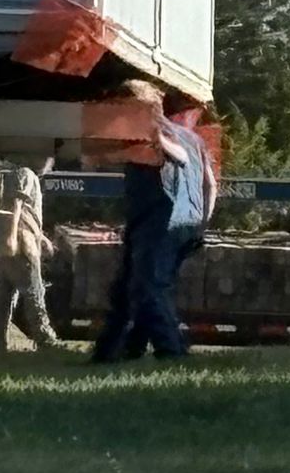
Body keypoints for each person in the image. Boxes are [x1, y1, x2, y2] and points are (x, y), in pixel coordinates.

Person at [91, 82, 216, 362]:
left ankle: (171, 351)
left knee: (147, 288)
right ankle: (115, 352)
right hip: (183, 224)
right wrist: (201, 226)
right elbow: (210, 184)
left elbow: (166, 154)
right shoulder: (194, 140)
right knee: (131, 288)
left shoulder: (150, 135)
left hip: (159, 222)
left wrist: (102, 152)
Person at [0, 150, 62, 351]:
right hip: (21, 245)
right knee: (34, 291)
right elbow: (15, 206)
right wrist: (11, 237)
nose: (49, 163)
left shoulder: (22, 175)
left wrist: (42, 237)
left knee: (5, 295)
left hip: (13, 243)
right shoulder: (24, 174)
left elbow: (27, 213)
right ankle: (45, 339)